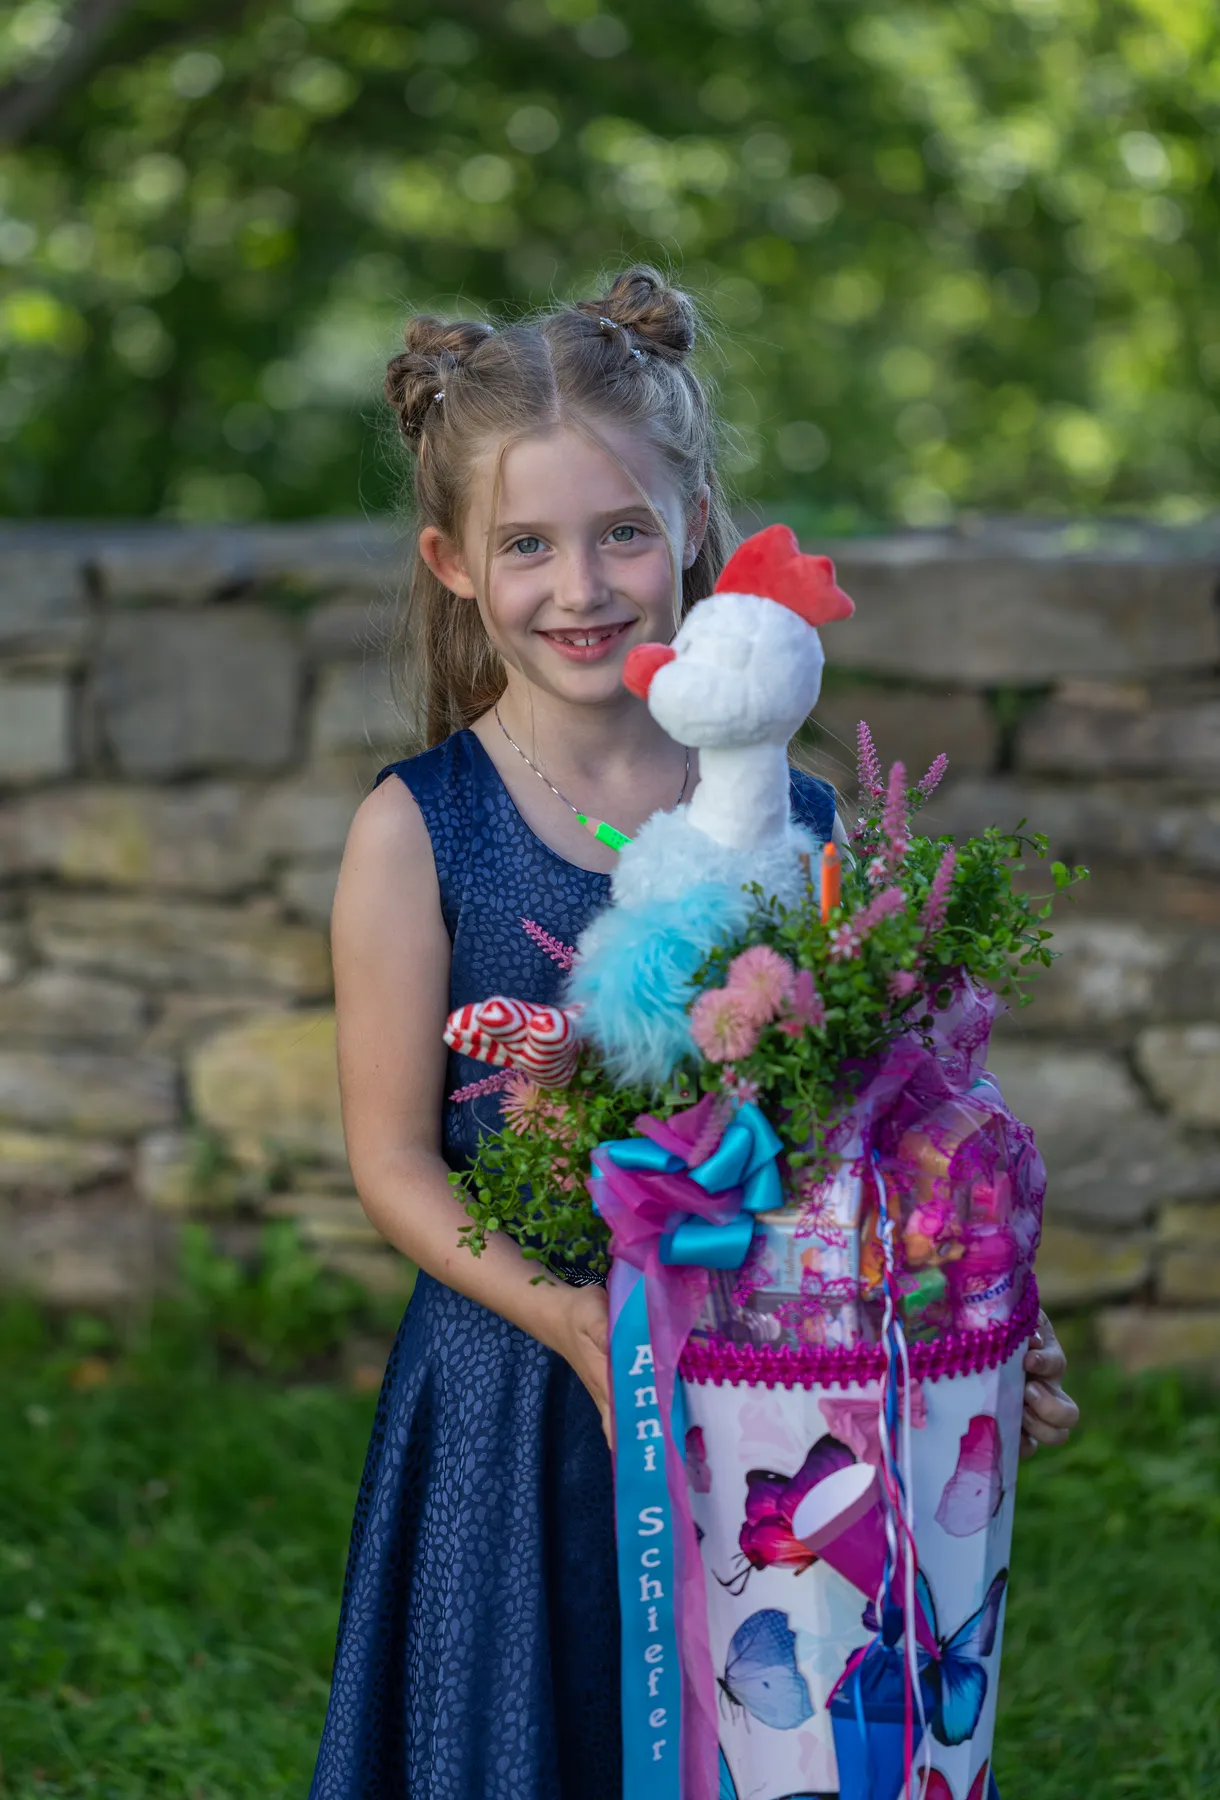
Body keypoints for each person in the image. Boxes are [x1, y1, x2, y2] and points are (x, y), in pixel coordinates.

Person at [308, 267, 1079, 1800]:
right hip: (520, 1390)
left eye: (622, 533)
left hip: (767, 1377)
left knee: (769, 1718)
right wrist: (583, 1323)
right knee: (534, 1734)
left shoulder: (790, 818)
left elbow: (887, 1114)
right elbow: (392, 1160)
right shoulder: (419, 830)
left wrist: (972, 1316)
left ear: (694, 537)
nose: (580, 586)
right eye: (526, 545)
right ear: (453, 563)